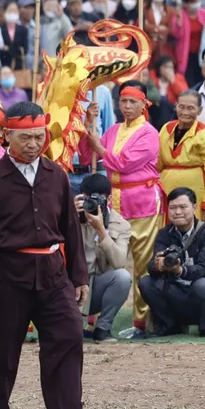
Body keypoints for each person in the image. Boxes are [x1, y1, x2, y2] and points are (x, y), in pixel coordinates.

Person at [0, 101, 108, 409]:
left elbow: (71, 229)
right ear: (7, 136)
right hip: (6, 273)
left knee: (69, 333)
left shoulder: (56, 175)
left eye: (38, 137)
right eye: (25, 137)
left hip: (53, 271)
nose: (32, 144)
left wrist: (79, 276)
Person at [80, 81, 164, 337]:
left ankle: (143, 322)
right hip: (112, 201)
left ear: (143, 104)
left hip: (142, 200)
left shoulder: (150, 133)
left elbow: (123, 163)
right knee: (101, 257)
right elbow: (87, 157)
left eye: (132, 102)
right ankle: (90, 320)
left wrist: (99, 147)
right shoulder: (114, 129)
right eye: (123, 101)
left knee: (142, 261)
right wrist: (87, 125)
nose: (126, 106)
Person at [138, 187, 205, 338]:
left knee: (202, 284)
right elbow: (151, 266)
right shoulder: (165, 233)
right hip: (177, 294)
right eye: (173, 208)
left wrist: (179, 270)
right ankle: (170, 325)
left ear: (194, 207)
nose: (177, 212)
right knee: (146, 282)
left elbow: (204, 269)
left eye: (183, 207)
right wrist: (157, 265)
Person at [75, 174, 132, 342]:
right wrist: (69, 216)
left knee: (122, 277)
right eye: (88, 198)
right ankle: (72, 326)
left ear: (108, 198)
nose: (93, 203)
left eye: (99, 199)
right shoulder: (69, 216)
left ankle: (103, 328)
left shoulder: (120, 224)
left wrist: (101, 230)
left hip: (98, 285)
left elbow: (119, 262)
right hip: (71, 285)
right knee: (70, 335)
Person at [159, 90, 205, 225]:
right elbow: (157, 163)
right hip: (167, 192)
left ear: (199, 110)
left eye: (191, 108)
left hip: (196, 194)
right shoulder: (166, 129)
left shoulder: (204, 134)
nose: (185, 112)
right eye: (181, 106)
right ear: (176, 106)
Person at [174, 0, 205, 86]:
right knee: (189, 81)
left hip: (201, 54)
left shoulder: (203, 13)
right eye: (193, 2)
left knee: (202, 79)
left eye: (197, 1)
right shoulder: (180, 15)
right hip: (187, 55)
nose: (196, 4)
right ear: (186, 4)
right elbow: (177, 34)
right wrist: (179, 18)